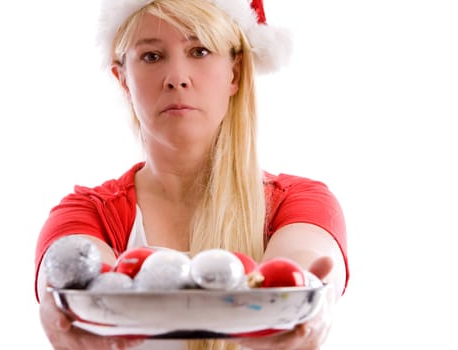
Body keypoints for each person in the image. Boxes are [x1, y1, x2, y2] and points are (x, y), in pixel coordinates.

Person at [34, 0, 349, 349]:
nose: (177, 78)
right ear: (122, 79)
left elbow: (307, 267)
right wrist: (60, 309)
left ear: (236, 72)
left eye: (199, 50)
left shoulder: (301, 203)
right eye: (152, 56)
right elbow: (70, 279)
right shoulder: (85, 213)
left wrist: (307, 310)